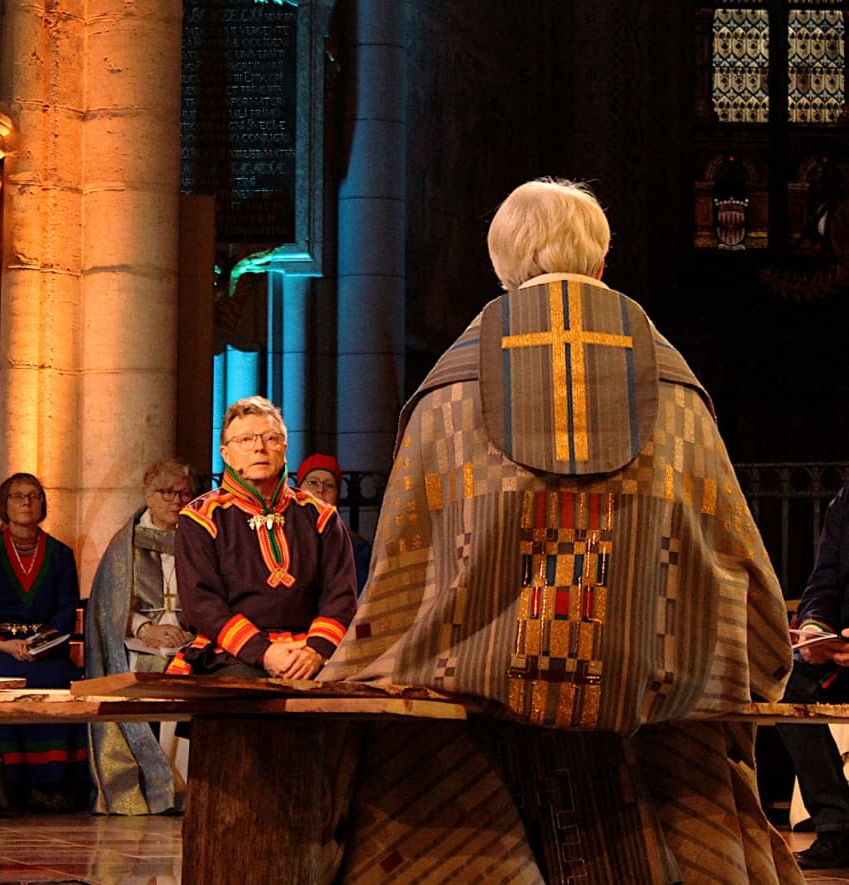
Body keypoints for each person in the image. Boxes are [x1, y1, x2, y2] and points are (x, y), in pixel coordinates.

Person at [316, 179, 802, 882]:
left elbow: (401, 568)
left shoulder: (449, 388)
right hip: (652, 711)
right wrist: (754, 658)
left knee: (403, 761)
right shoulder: (674, 386)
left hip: (472, 731)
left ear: (503, 268)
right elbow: (733, 549)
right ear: (602, 262)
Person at [169, 396, 357, 679]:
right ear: (225, 453)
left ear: (284, 448)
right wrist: (263, 652)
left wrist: (315, 651)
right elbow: (202, 604)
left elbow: (340, 595)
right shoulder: (200, 518)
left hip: (311, 653)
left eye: (271, 438)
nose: (259, 447)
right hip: (230, 655)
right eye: (245, 440)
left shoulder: (321, 516)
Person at [0, 473, 90, 814]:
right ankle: (3, 790)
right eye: (18, 496)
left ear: (43, 504)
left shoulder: (61, 555)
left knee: (54, 680)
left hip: (46, 649)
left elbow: (67, 608)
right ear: (4, 504)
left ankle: (52, 787)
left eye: (34, 496)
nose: (26, 502)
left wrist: (42, 643)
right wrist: (2, 644)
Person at [86, 457, 196, 814]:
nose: (176, 501)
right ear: (149, 494)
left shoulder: (198, 538)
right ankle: (145, 788)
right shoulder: (126, 544)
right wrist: (146, 628)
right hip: (138, 639)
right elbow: (109, 605)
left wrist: (186, 630)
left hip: (187, 639)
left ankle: (181, 787)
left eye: (184, 493)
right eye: (167, 492)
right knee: (143, 669)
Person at [776, 479, 849, 869]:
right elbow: (824, 580)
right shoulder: (846, 499)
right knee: (787, 687)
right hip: (844, 651)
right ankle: (838, 825)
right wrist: (816, 629)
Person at [296, 453, 372, 594]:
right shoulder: (281, 537)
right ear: (299, 488)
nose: (320, 490)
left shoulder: (355, 545)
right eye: (313, 483)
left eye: (329, 485)